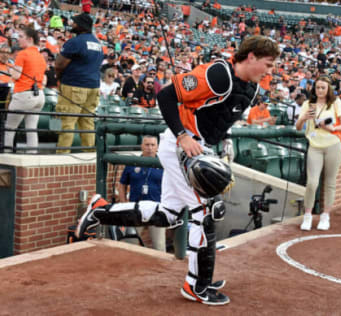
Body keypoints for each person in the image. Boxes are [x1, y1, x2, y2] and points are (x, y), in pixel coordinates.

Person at [75, 35, 280, 305]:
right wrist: (183, 136)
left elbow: (219, 120)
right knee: (204, 212)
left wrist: (222, 148)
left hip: (201, 147)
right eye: (267, 64)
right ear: (251, 56)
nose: (270, 71)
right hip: (179, 145)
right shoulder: (218, 74)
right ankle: (196, 285)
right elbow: (166, 96)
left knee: (169, 215)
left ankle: (99, 210)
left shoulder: (250, 88)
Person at [297, 75, 341, 231]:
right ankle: (308, 215)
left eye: (323, 88)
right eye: (317, 87)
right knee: (312, 183)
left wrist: (333, 128)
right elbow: (298, 127)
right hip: (314, 146)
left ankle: (325, 216)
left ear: (328, 89)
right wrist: (304, 117)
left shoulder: (335, 102)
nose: (320, 90)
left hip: (333, 144)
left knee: (330, 182)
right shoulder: (308, 104)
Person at [55, 13, 103, 153]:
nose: (72, 24)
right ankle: (89, 157)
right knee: (87, 123)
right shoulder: (97, 43)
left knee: (68, 122)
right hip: (93, 87)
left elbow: (59, 64)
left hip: (75, 85)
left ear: (81, 26)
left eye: (74, 23)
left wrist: (59, 78)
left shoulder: (76, 41)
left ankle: (62, 156)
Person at [118, 135, 166, 251]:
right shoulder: (133, 163)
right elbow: (121, 184)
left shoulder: (164, 164)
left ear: (157, 147)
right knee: (130, 244)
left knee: (159, 246)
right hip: (136, 209)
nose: (150, 148)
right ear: (141, 146)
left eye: (152, 145)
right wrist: (125, 204)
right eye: (147, 144)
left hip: (157, 210)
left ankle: (161, 268)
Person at [4, 27, 46, 153]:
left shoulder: (23, 53)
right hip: (39, 95)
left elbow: (16, 75)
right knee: (31, 128)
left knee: (10, 127)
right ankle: (32, 155)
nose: (18, 40)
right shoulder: (40, 56)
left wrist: (11, 71)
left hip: (24, 94)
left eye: (21, 37)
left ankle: (7, 155)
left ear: (30, 39)